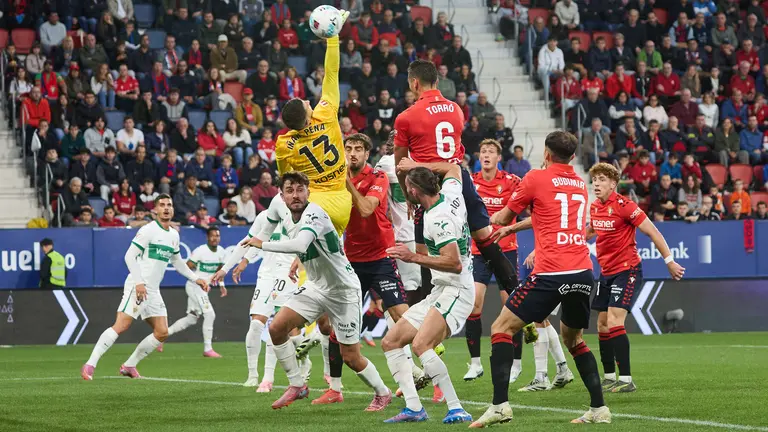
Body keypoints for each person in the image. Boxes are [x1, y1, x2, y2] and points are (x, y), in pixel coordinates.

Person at [470, 131, 609, 426]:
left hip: (550, 273)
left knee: (500, 328)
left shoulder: (535, 177)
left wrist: (491, 220)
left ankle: (499, 406)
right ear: (572, 157)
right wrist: (514, 230)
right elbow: (548, 214)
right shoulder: (580, 185)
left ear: (546, 153)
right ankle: (599, 409)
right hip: (583, 271)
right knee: (574, 340)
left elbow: (503, 215)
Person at [235, 171, 392, 411]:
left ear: (309, 192)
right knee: (276, 328)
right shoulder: (282, 213)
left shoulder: (314, 213)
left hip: (343, 290)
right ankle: (298, 384)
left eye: (300, 190)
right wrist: (240, 258)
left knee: (350, 357)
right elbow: (265, 230)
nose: (295, 195)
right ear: (282, 195)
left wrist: (262, 244)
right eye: (290, 190)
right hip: (317, 286)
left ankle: (382, 392)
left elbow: (299, 244)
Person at [394, 59, 520, 303]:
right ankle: (519, 301)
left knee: (424, 253)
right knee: (487, 242)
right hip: (460, 179)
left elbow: (401, 165)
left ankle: (429, 319)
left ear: (414, 83)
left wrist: (409, 195)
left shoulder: (406, 117)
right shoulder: (456, 109)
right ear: (438, 81)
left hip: (429, 184)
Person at [310, 134, 416, 405]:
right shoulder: (334, 183)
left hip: (381, 257)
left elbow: (368, 209)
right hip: (350, 261)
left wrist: (346, 182)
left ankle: (428, 369)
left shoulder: (377, 177)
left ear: (367, 154)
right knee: (332, 321)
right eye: (349, 149)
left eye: (358, 149)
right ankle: (334, 388)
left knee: (402, 316)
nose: (353, 153)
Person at [379, 162, 474, 424]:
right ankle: (414, 408)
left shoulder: (436, 218)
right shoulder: (452, 191)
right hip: (440, 290)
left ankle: (456, 408)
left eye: (406, 188)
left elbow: (453, 263)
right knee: (391, 342)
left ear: (413, 190)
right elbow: (454, 168)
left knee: (421, 345)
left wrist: (413, 256)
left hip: (457, 289)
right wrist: (416, 165)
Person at [80, 194, 208, 380]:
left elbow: (178, 262)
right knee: (121, 325)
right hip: (137, 284)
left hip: (153, 290)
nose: (166, 208)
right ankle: (90, 365)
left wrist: (196, 279)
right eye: (162, 205)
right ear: (155, 210)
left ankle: (129, 365)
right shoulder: (148, 230)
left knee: (162, 332)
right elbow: (129, 256)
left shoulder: (173, 235)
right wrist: (139, 282)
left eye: (169, 205)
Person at [586, 163, 685, 391]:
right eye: (595, 180)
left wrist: (669, 261)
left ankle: (626, 380)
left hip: (627, 270)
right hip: (606, 272)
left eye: (602, 180)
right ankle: (610, 376)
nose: (597, 184)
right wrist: (573, 240)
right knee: (601, 324)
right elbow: (592, 230)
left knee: (613, 321)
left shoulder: (625, 206)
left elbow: (652, 231)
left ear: (613, 183)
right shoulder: (595, 207)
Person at [461, 139, 538, 385]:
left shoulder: (513, 182)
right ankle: (474, 363)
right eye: (483, 151)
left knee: (512, 307)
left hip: (507, 251)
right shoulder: (470, 181)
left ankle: (516, 364)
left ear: (498, 158)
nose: (486, 155)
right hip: (479, 251)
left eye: (491, 152)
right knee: (474, 304)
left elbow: (535, 210)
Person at [275, 15, 353, 235]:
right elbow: (331, 73)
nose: (309, 101)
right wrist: (333, 37)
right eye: (306, 103)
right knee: (335, 259)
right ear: (307, 115)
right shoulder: (326, 114)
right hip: (341, 202)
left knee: (308, 264)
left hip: (315, 202)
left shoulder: (285, 143)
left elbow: (285, 177)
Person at [213, 207, 300, 391]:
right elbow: (249, 242)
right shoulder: (265, 216)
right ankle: (252, 375)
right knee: (256, 324)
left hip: (287, 274)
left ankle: (268, 378)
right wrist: (230, 266)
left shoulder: (300, 214)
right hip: (266, 275)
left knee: (276, 324)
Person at [161, 227, 228, 356]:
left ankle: (161, 336)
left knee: (191, 319)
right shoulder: (200, 251)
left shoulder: (221, 252)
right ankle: (208, 349)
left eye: (217, 236)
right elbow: (187, 267)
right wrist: (198, 278)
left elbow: (220, 270)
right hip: (195, 287)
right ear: (207, 237)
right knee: (210, 314)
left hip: (204, 289)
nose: (215, 238)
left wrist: (221, 284)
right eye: (212, 236)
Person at [374, 132, 421, 303]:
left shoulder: (419, 159)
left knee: (425, 285)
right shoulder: (387, 162)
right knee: (411, 285)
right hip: (406, 234)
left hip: (426, 233)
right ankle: (407, 326)